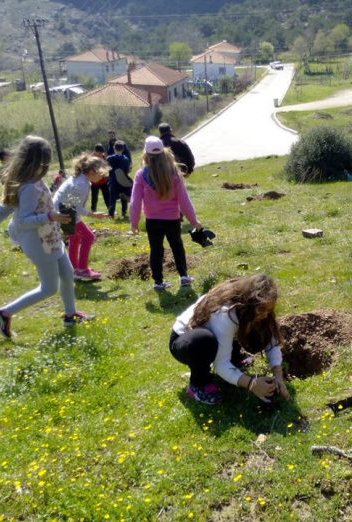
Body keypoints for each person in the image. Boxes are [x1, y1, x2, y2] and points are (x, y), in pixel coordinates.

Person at [0, 135, 92, 338]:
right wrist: (50, 216)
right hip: (37, 241)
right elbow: (22, 220)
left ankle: (70, 315)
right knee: (49, 288)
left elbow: (5, 207)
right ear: (39, 160)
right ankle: (3, 313)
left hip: (50, 235)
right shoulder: (28, 187)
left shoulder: (31, 179)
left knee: (67, 273)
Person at [169, 274, 290, 405]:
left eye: (269, 309)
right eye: (262, 310)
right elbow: (221, 364)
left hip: (219, 334)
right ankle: (198, 385)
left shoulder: (253, 310)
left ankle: (235, 361)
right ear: (250, 303)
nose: (266, 313)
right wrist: (252, 384)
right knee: (204, 341)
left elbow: (270, 339)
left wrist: (278, 376)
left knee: (258, 329)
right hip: (186, 342)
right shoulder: (226, 313)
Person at [129, 136, 205, 290]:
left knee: (156, 250)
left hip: (152, 220)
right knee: (177, 246)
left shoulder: (140, 175)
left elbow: (135, 202)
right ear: (164, 152)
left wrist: (134, 223)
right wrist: (193, 220)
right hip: (172, 219)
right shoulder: (174, 172)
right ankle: (183, 276)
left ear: (145, 155)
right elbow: (184, 200)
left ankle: (158, 282)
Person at [53, 153, 110, 281]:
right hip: (65, 211)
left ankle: (74, 270)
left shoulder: (81, 179)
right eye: (100, 173)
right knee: (89, 236)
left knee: (75, 238)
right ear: (90, 171)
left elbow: (71, 203)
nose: (102, 176)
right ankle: (83, 270)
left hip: (63, 209)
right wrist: (94, 215)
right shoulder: (81, 184)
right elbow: (75, 206)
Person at [107, 140, 132, 219]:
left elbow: (107, 169)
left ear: (114, 148)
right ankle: (124, 212)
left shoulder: (110, 158)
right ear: (123, 149)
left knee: (112, 197)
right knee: (123, 196)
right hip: (123, 179)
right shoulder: (126, 159)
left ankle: (111, 214)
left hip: (113, 179)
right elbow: (127, 170)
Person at [89, 143, 110, 212]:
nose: (101, 154)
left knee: (107, 195)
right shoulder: (91, 158)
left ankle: (110, 209)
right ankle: (93, 210)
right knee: (94, 197)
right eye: (99, 152)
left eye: (102, 152)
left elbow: (107, 165)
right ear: (95, 151)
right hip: (95, 181)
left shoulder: (104, 156)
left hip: (103, 180)